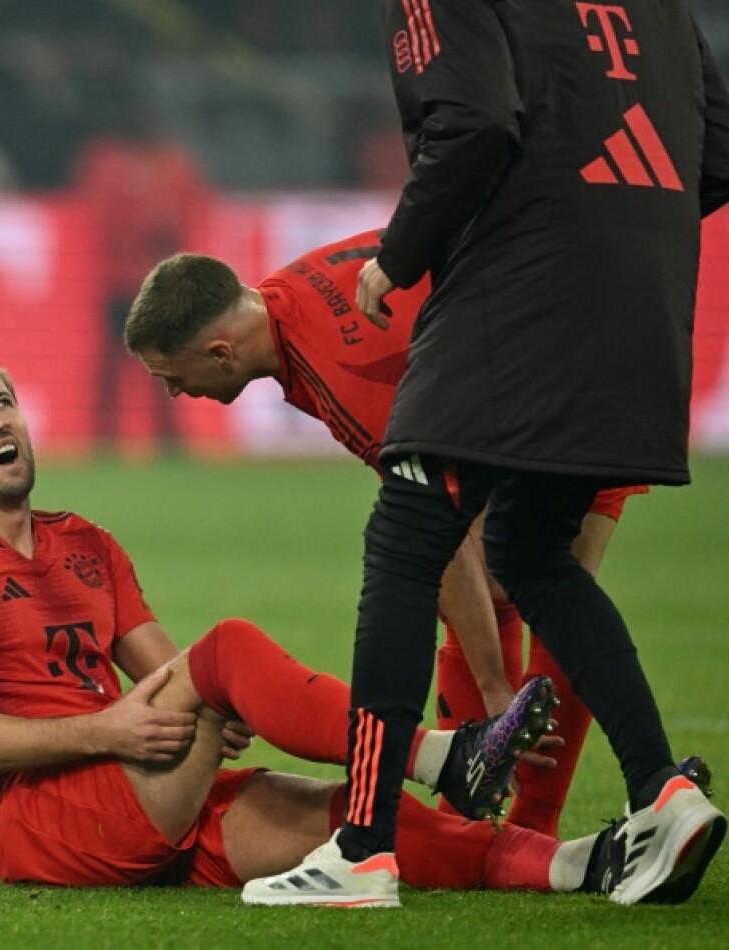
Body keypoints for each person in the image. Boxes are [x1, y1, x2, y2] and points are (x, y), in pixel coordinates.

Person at [254, 0, 729, 908]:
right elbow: (720, 152)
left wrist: (399, 257)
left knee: (403, 546)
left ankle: (361, 851)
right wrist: (607, 223)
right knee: (532, 552)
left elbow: (473, 122)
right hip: (649, 312)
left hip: (519, 307)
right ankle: (662, 793)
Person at [0, 347, 641, 900]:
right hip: (39, 818)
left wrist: (218, 708)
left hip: (136, 788)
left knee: (347, 822)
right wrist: (111, 730)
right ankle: (445, 757)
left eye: (2, 402)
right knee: (232, 645)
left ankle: (581, 863)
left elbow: (173, 674)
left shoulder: (86, 542)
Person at [123, 228, 644, 837]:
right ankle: (504, 819)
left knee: (549, 590)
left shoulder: (345, 380)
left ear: (220, 353)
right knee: (512, 583)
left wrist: (497, 693)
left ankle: (540, 820)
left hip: (576, 370)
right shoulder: (286, 301)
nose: (172, 392)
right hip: (578, 329)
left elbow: (437, 537)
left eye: (170, 375)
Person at [71, 99, 210, 456]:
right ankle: (107, 439)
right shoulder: (119, 162)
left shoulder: (161, 163)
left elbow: (188, 212)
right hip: (124, 280)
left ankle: (165, 438)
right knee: (117, 365)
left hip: (155, 282)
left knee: (163, 364)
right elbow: (105, 217)